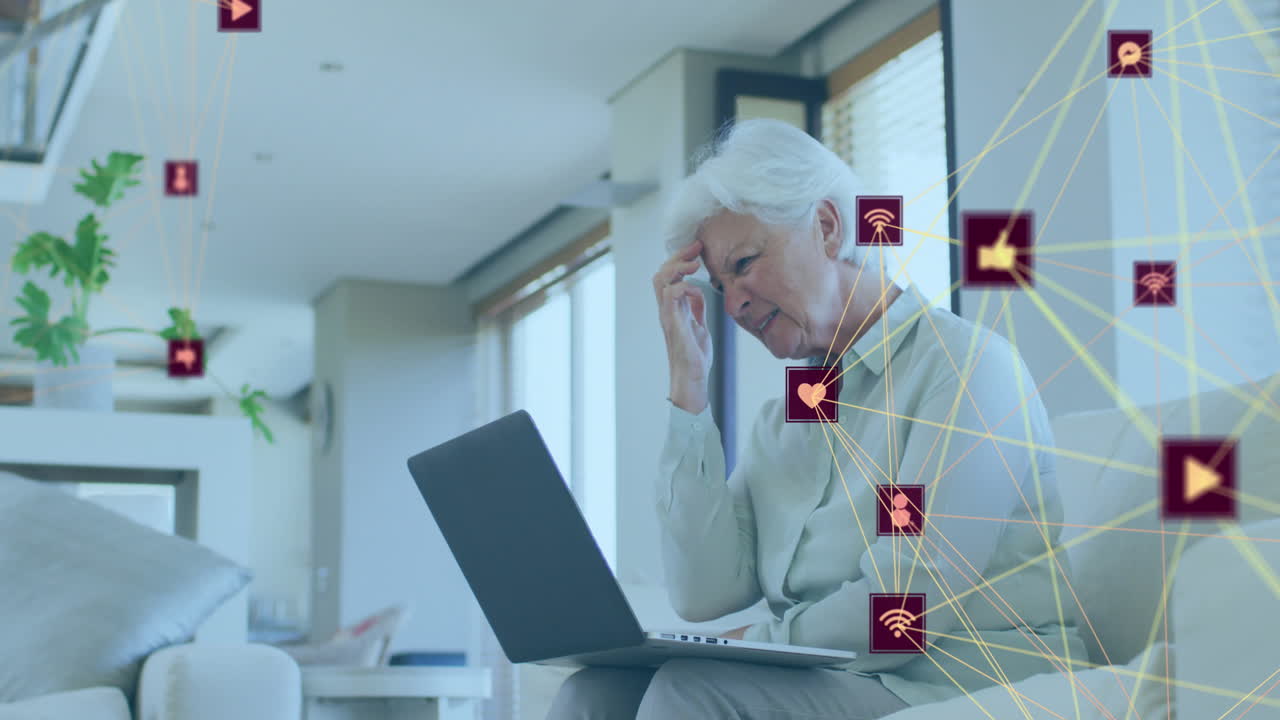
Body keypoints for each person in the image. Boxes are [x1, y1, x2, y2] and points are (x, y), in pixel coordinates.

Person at [547, 118, 1086, 719]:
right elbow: (703, 594)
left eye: (744, 263)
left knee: (689, 690)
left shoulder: (965, 369)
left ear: (827, 228)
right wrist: (688, 389)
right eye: (720, 287)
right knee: (593, 694)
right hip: (842, 684)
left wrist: (759, 643)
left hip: (967, 686)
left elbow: (908, 605)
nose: (735, 304)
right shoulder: (786, 420)